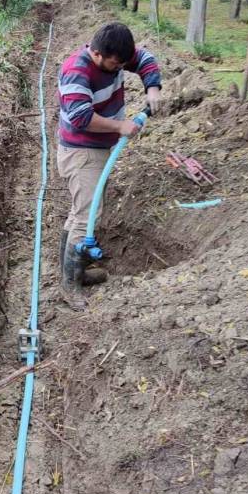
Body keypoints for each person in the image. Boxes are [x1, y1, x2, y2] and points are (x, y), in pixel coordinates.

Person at [57, 22, 161, 302]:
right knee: (86, 216)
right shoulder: (75, 71)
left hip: (99, 149)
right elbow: (80, 117)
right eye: (115, 65)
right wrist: (119, 127)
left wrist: (152, 88)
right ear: (97, 53)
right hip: (80, 152)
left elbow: (145, 58)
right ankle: (70, 285)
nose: (119, 69)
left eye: (122, 65)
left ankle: (75, 270)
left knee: (83, 211)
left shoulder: (115, 56)